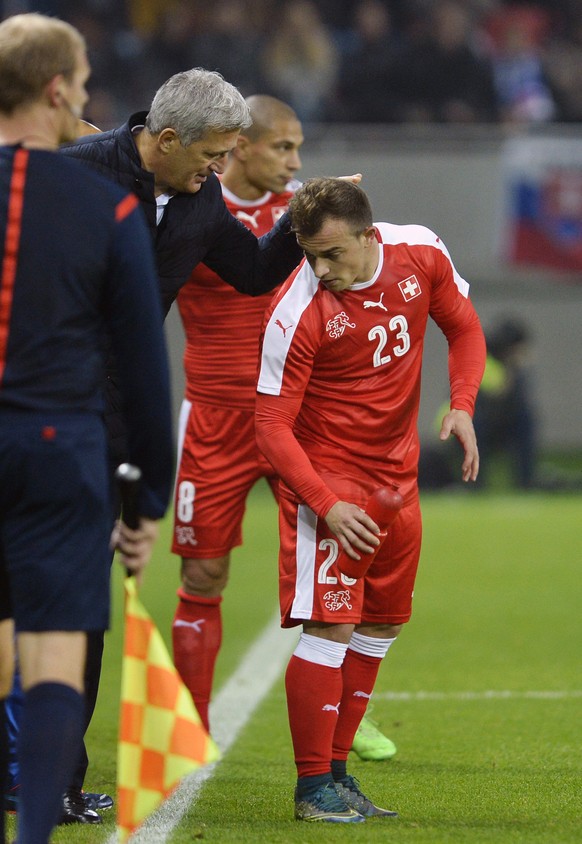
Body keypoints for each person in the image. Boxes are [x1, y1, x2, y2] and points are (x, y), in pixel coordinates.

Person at [170, 92, 395, 762]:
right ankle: (192, 726)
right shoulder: (190, 206)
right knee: (204, 572)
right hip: (215, 416)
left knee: (343, 570)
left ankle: (345, 714)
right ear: (239, 147)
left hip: (303, 419)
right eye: (284, 147)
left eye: (299, 148)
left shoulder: (308, 211)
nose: (296, 161)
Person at [255, 177, 486, 822]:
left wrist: (462, 406)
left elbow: (465, 330)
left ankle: (338, 775)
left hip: (397, 483)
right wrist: (325, 504)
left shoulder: (421, 252)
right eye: (310, 255)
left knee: (380, 625)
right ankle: (311, 788)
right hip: (327, 486)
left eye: (333, 253)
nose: (321, 269)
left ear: (368, 234)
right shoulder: (295, 310)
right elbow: (270, 429)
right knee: (331, 625)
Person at [0, 12, 173, 844]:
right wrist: (146, 500)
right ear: (57, 88)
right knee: (55, 646)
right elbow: (143, 370)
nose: (91, 95)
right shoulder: (103, 207)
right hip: (58, 448)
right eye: (85, 80)